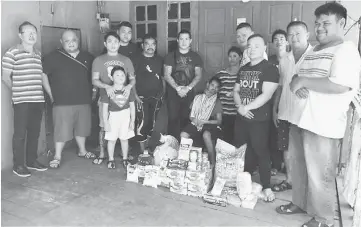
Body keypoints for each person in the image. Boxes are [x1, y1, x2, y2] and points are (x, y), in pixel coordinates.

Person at [276, 3, 361, 227]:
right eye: (317, 23)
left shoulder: (346, 50)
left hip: (322, 125)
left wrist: (305, 81)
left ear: (341, 23)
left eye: (326, 23)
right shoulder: (313, 50)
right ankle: (300, 204)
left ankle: (324, 219)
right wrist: (299, 81)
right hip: (299, 119)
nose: (319, 28)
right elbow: (294, 77)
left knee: (320, 175)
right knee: (300, 169)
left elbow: (342, 85)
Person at [2, 21, 53, 177]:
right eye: (28, 32)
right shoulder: (12, 53)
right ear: (20, 35)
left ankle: (31, 161)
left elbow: (40, 76)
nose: (32, 35)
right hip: (21, 101)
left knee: (34, 132)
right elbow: (5, 77)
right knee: (20, 134)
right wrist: (18, 90)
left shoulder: (37, 54)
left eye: (34, 32)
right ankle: (18, 165)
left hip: (37, 100)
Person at [233, 34, 279, 202]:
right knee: (243, 151)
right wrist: (240, 108)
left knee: (261, 152)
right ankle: (244, 182)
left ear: (264, 48)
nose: (252, 49)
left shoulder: (270, 68)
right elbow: (236, 91)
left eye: (256, 46)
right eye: (249, 46)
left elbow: (266, 95)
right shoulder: (243, 69)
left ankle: (266, 186)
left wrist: (246, 108)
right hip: (242, 118)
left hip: (259, 119)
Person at [43, 30, 96, 169]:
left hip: (84, 99)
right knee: (61, 129)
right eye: (67, 41)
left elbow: (96, 76)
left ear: (78, 40)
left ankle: (82, 150)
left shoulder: (88, 57)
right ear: (61, 42)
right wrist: (51, 94)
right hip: (62, 100)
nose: (71, 43)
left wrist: (94, 93)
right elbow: (43, 75)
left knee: (82, 128)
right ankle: (57, 156)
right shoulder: (53, 57)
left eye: (73, 40)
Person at [271, 21, 312, 192]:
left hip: (306, 114)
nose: (294, 37)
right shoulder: (285, 60)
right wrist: (275, 108)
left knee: (306, 151)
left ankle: (307, 186)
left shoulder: (314, 57)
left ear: (307, 35)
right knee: (286, 148)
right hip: (285, 111)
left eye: (298, 34)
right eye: (291, 34)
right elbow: (281, 85)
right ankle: (289, 180)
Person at [92, 31, 136, 165]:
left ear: (119, 44)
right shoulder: (99, 60)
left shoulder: (126, 60)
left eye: (115, 42)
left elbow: (132, 79)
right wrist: (107, 86)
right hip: (106, 98)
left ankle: (125, 155)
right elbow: (94, 80)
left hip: (124, 98)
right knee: (104, 126)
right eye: (110, 41)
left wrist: (128, 87)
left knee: (124, 130)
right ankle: (102, 153)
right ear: (105, 44)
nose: (113, 44)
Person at [164, 29, 203, 141]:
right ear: (177, 40)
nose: (184, 41)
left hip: (189, 92)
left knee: (187, 119)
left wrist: (187, 88)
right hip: (173, 92)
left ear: (190, 41)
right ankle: (172, 146)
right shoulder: (170, 56)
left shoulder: (196, 57)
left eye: (186, 39)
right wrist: (177, 88)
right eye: (181, 39)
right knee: (173, 119)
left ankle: (185, 147)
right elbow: (167, 75)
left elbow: (198, 75)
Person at [132, 34, 165, 152]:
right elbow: (132, 79)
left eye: (153, 44)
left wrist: (162, 94)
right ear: (142, 45)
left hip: (156, 98)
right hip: (141, 97)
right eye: (147, 44)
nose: (150, 46)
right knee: (142, 124)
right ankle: (143, 152)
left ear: (156, 46)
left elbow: (163, 78)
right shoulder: (136, 59)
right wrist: (135, 95)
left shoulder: (160, 60)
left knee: (153, 124)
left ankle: (149, 149)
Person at [180, 76, 222, 168]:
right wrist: (195, 120)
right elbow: (191, 116)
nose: (213, 88)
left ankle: (213, 163)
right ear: (208, 84)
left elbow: (219, 121)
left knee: (206, 135)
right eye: (212, 85)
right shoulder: (197, 98)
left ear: (218, 90)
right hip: (196, 122)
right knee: (183, 135)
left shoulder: (217, 102)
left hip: (209, 124)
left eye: (216, 87)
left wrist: (205, 121)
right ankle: (185, 160)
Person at [102, 66, 135, 169]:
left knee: (124, 139)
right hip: (113, 116)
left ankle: (125, 158)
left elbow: (132, 106)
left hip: (125, 115)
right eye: (117, 75)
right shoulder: (108, 91)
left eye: (122, 75)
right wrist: (106, 123)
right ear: (111, 78)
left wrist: (132, 121)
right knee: (111, 139)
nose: (120, 77)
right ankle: (111, 159)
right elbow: (104, 109)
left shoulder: (128, 90)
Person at [268, 29, 289, 176]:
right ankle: (275, 164)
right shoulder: (270, 60)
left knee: (289, 136)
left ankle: (288, 166)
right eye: (276, 39)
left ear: (287, 41)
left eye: (282, 38)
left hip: (288, 102)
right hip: (271, 100)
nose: (279, 41)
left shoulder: (292, 58)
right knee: (273, 134)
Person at [215, 46, 242, 144]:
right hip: (224, 113)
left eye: (235, 56)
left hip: (239, 114)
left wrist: (234, 94)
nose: (232, 58)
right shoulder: (221, 74)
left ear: (240, 57)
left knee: (238, 140)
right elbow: (214, 89)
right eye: (230, 56)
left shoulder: (243, 73)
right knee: (225, 140)